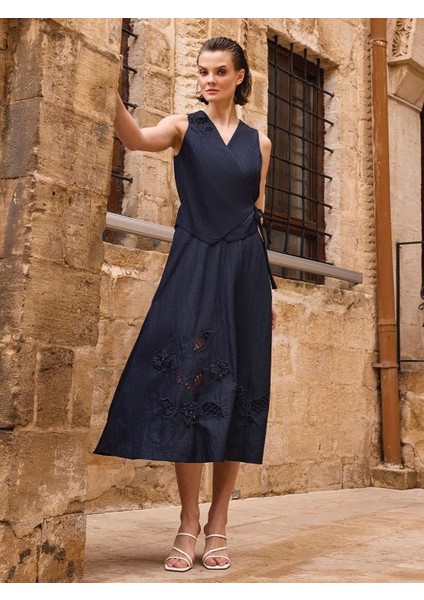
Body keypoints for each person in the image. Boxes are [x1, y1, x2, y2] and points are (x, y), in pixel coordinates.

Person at [94, 36, 277, 572]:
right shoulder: (181, 128)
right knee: (188, 386)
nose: (209, 80)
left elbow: (256, 214)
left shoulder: (261, 143)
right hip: (194, 263)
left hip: (244, 272)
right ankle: (188, 520)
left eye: (220, 71)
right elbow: (133, 139)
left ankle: (219, 522)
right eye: (202, 71)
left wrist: (265, 291)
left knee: (238, 392)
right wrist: (110, 84)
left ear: (240, 77)